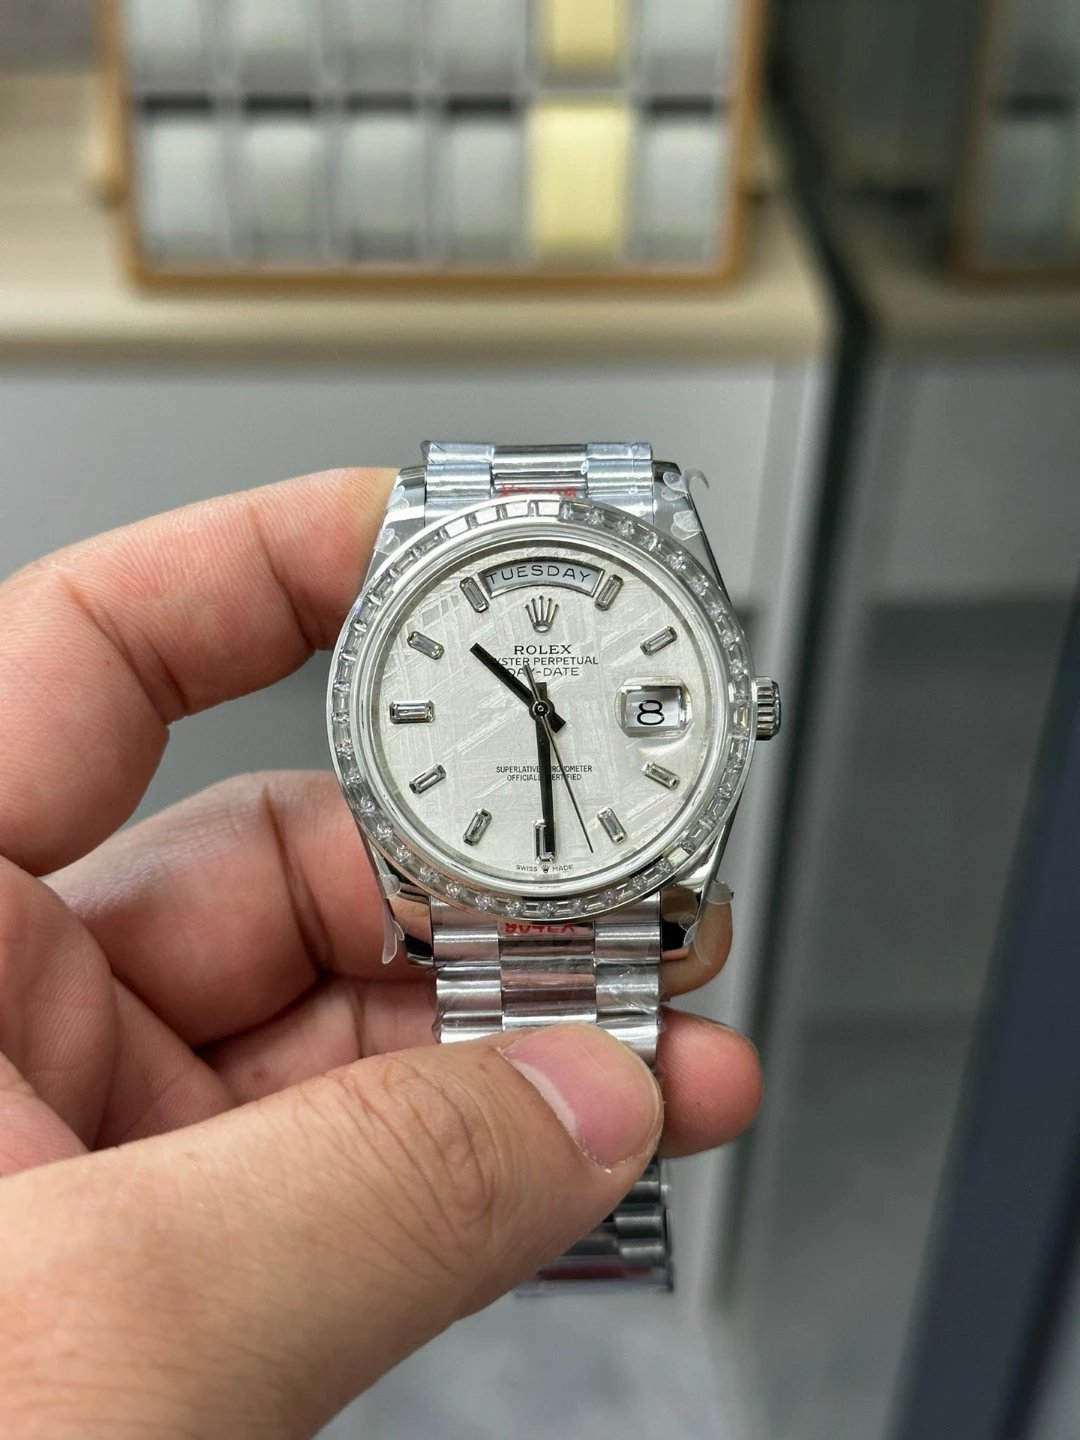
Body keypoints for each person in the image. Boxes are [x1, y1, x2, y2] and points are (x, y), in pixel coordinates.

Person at [0, 468, 762, 1437]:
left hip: (606, 869)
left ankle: (577, 1236)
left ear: (747, 709)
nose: (543, 709)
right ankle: (581, 1239)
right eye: (532, 700)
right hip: (475, 877)